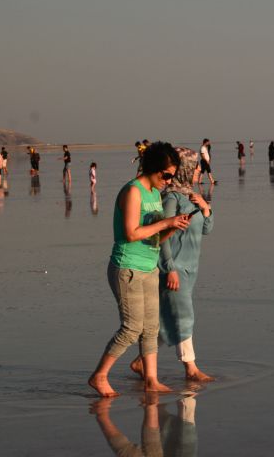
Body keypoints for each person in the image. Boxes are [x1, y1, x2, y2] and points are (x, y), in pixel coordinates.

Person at [88, 142, 193, 398]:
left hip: (149, 266)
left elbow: (155, 238)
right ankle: (99, 375)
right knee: (132, 327)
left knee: (151, 328)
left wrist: (172, 227)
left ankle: (151, 379)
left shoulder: (155, 193)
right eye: (166, 175)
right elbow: (131, 233)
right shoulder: (133, 191)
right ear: (154, 169)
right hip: (127, 268)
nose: (169, 182)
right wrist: (165, 222)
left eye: (172, 177)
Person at [131, 146, 215, 383]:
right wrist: (169, 268)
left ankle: (141, 361)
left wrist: (205, 208)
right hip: (175, 268)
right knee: (183, 316)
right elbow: (160, 235)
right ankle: (191, 368)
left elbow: (207, 229)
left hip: (191, 269)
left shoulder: (192, 197)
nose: (199, 169)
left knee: (169, 319)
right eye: (195, 165)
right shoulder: (171, 198)